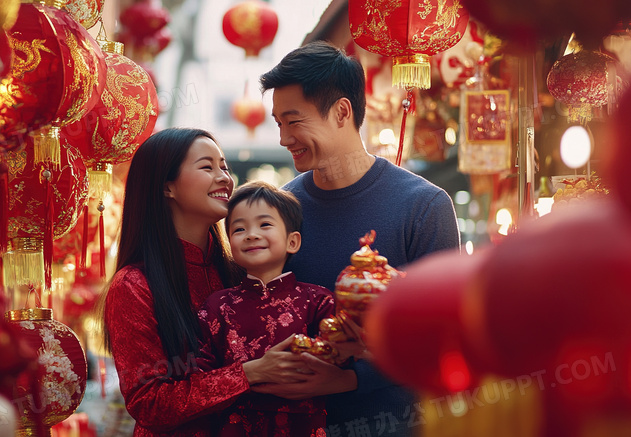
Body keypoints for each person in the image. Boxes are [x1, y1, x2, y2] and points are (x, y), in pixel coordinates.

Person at [258, 41, 461, 436]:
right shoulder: (282, 211)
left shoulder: (424, 207)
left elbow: (441, 338)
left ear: (342, 112)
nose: (284, 138)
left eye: (294, 121)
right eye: (278, 123)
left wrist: (348, 379)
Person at [100, 128, 315, 437]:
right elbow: (149, 403)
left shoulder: (240, 272)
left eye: (224, 167)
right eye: (207, 167)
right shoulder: (134, 285)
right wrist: (249, 374)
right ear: (167, 187)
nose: (225, 177)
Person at [196, 180, 335, 436]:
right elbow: (200, 375)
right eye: (239, 229)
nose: (251, 234)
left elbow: (339, 360)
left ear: (292, 242)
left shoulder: (318, 301)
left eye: (265, 224)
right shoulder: (217, 306)